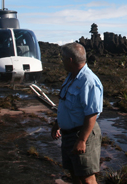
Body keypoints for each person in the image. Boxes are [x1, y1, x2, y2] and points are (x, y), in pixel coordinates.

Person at [51, 42, 103, 184]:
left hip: (82, 134)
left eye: (63, 58)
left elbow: (92, 113)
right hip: (68, 135)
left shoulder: (89, 81)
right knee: (74, 174)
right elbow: (66, 104)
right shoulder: (71, 77)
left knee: (86, 177)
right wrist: (58, 124)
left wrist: (82, 140)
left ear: (70, 60)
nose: (61, 60)